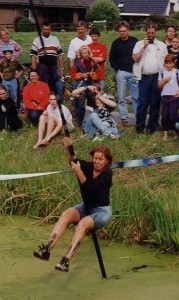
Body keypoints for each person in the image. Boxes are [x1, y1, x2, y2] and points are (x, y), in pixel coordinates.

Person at [33, 138, 113, 272]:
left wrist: (78, 172)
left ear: (107, 161)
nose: (96, 162)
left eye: (100, 159)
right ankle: (46, 249)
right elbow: (73, 160)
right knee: (67, 214)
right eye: (95, 158)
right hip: (86, 206)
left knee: (83, 223)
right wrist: (69, 148)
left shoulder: (107, 173)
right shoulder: (88, 166)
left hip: (101, 211)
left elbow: (90, 189)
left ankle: (66, 260)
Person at [133, 23, 168, 134]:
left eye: (152, 32)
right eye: (149, 32)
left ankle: (151, 128)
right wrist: (144, 47)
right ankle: (139, 128)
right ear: (146, 32)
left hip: (157, 77)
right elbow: (136, 59)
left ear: (155, 33)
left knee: (155, 103)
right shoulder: (139, 44)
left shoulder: (162, 45)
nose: (151, 34)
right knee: (142, 103)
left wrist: (163, 79)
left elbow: (166, 63)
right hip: (144, 78)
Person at [109, 21, 138, 126]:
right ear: (118, 32)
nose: (123, 33)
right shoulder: (115, 43)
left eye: (125, 31)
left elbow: (139, 55)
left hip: (134, 73)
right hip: (121, 73)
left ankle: (138, 118)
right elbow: (111, 59)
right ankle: (124, 119)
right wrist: (117, 69)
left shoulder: (134, 41)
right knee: (121, 97)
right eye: (121, 31)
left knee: (135, 97)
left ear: (128, 30)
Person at [30, 21, 64, 103]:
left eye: (48, 29)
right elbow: (33, 55)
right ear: (41, 29)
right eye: (44, 29)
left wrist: (62, 68)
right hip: (42, 67)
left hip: (53, 66)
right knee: (45, 85)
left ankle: (60, 104)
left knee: (59, 85)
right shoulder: (37, 40)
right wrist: (34, 70)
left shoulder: (55, 39)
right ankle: (45, 103)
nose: (46, 31)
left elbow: (60, 55)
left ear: (50, 30)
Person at [70, 45, 99, 125]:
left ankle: (96, 120)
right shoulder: (77, 62)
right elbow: (72, 74)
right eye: (83, 53)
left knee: (93, 100)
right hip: (80, 84)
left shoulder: (93, 61)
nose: (84, 54)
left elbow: (98, 73)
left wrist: (94, 75)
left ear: (89, 53)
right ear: (80, 54)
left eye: (86, 53)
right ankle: (80, 122)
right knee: (80, 101)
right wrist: (81, 75)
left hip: (91, 83)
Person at [158, 54, 179, 140]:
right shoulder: (162, 72)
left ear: (174, 63)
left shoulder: (177, 72)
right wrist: (165, 80)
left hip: (174, 97)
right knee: (165, 115)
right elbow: (159, 86)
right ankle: (165, 134)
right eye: (167, 63)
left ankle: (176, 132)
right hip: (165, 96)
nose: (168, 65)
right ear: (164, 63)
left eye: (170, 63)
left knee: (173, 116)